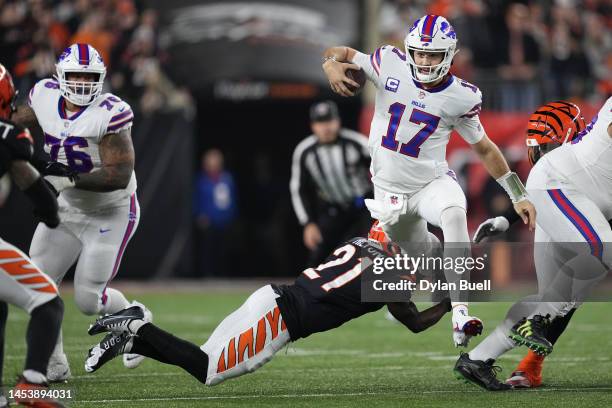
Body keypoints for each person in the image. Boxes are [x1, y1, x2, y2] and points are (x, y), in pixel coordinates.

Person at [321, 14, 536, 347]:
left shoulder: (462, 96)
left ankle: (461, 315)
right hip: (391, 198)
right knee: (426, 254)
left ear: (448, 54)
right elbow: (341, 53)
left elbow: (486, 148)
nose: (423, 61)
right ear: (409, 50)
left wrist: (517, 192)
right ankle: (453, 274)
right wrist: (330, 64)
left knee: (453, 212)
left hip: (432, 183)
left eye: (432, 54)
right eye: (419, 53)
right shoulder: (389, 61)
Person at [84, 230, 455, 385]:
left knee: (202, 357)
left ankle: (130, 341)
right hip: (280, 321)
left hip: (272, 296)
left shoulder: (362, 242)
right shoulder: (391, 276)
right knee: (209, 370)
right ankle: (137, 324)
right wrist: (452, 300)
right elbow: (415, 322)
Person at [10, 43, 152, 381]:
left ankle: (137, 316)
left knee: (89, 301)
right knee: (39, 284)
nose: (82, 82)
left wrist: (68, 179)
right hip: (66, 210)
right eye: (75, 75)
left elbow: (118, 175)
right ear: (60, 76)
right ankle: (55, 364)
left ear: (100, 79)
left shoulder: (111, 112)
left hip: (110, 212)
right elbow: (15, 121)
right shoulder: (44, 95)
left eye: (89, 77)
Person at [455, 98, 612, 390]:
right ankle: (535, 323)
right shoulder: (571, 157)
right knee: (600, 252)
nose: (540, 152)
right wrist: (506, 217)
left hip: (568, 199)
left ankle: (478, 359)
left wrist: (504, 219)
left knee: (563, 298)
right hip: (561, 189)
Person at [0, 63, 67, 407]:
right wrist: (52, 214)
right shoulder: (9, 136)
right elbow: (33, 183)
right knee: (48, 302)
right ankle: (32, 385)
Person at [290, 100, 372, 266]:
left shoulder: (357, 143)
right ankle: (307, 291)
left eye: (329, 121)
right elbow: (298, 189)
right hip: (331, 210)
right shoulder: (305, 151)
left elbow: (382, 171)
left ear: (338, 121)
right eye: (320, 122)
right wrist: (307, 223)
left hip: (362, 208)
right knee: (318, 258)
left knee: (366, 252)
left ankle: (377, 288)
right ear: (313, 125)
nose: (325, 127)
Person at [194, 149, 238, 276]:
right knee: (208, 250)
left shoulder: (227, 178)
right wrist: (199, 215)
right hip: (208, 222)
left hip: (225, 222)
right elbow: (197, 200)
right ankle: (208, 275)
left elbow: (233, 199)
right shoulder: (202, 180)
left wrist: (232, 216)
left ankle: (223, 274)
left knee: (224, 250)